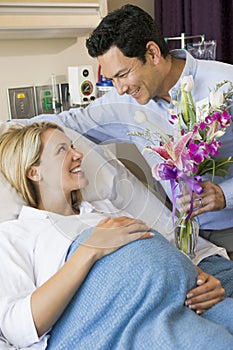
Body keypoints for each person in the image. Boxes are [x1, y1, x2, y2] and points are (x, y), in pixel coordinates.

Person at [27, 5, 233, 294]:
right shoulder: (124, 104)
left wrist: (226, 194)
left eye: (123, 74)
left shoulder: (225, 86)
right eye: (112, 79)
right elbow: (67, 122)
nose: (119, 88)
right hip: (191, 239)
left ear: (152, 53)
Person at [0, 121, 232, 349]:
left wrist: (201, 278)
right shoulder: (16, 234)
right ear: (34, 172)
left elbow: (157, 246)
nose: (78, 154)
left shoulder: (104, 210)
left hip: (180, 299)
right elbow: (18, 328)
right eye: (62, 150)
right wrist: (88, 251)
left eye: (73, 146)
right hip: (131, 315)